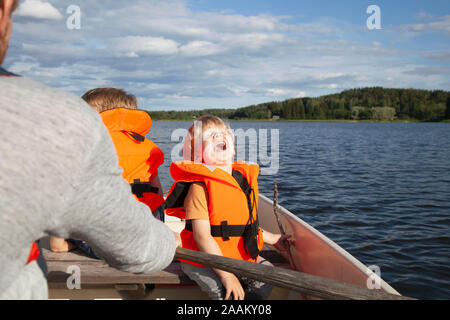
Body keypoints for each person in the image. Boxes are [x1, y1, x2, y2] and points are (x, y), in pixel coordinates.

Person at [0, 0, 179, 299]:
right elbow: (135, 241)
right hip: (141, 228)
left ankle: (60, 242)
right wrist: (166, 241)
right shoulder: (137, 148)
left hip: (101, 240)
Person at [164, 115, 289, 300]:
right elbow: (202, 237)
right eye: (209, 136)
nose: (218, 136)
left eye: (223, 133)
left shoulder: (241, 183)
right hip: (203, 259)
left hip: (239, 257)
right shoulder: (200, 189)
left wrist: (273, 239)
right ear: (196, 156)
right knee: (225, 294)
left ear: (233, 148)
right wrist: (227, 275)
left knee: (268, 276)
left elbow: (242, 226)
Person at [50, 88, 166, 256]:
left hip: (104, 246)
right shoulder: (147, 147)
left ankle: (59, 244)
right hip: (143, 240)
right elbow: (157, 193)